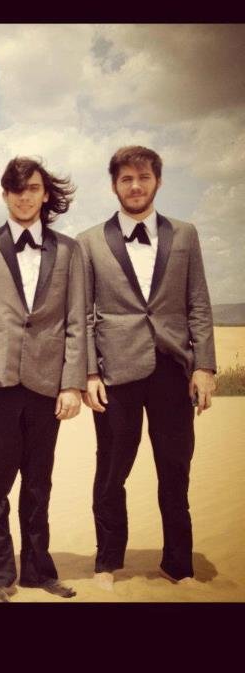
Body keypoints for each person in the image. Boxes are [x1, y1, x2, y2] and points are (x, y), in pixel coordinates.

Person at [77, 145, 217, 590]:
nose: (135, 186)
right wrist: (90, 373)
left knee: (175, 469)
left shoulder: (186, 235)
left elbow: (198, 303)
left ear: (157, 181)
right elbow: (83, 314)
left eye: (143, 177)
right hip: (115, 373)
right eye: (126, 179)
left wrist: (205, 366)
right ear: (114, 185)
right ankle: (107, 562)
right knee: (111, 471)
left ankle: (179, 564)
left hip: (173, 369)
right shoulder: (88, 241)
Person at [0, 156, 86, 602]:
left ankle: (37, 571)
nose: (24, 197)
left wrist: (72, 383)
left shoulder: (69, 250)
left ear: (45, 193)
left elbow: (76, 321)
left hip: (48, 385)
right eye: (16, 189)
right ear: (5, 194)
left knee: (38, 483)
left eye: (32, 188)